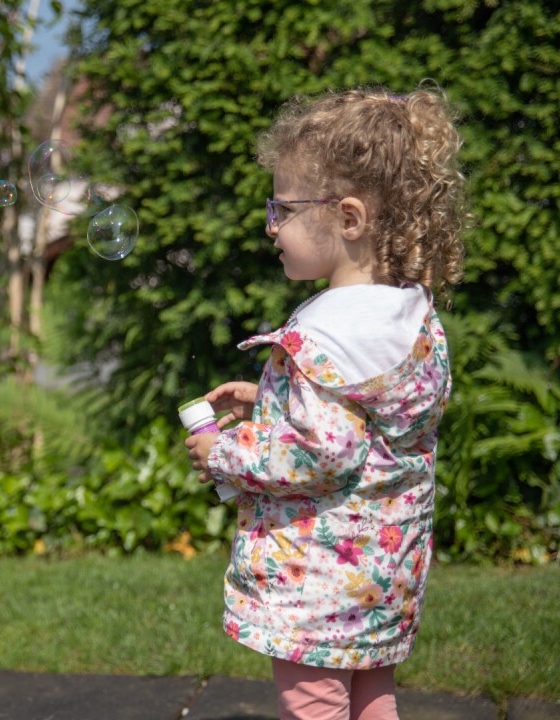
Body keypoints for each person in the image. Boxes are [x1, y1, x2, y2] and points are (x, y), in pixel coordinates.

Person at [186, 87, 469, 720]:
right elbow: (369, 427)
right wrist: (271, 398)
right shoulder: (410, 316)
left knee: (314, 707)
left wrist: (224, 450)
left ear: (349, 218)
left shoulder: (324, 333)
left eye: (282, 208)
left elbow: (318, 456)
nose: (271, 227)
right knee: (373, 700)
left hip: (320, 579)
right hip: (385, 571)